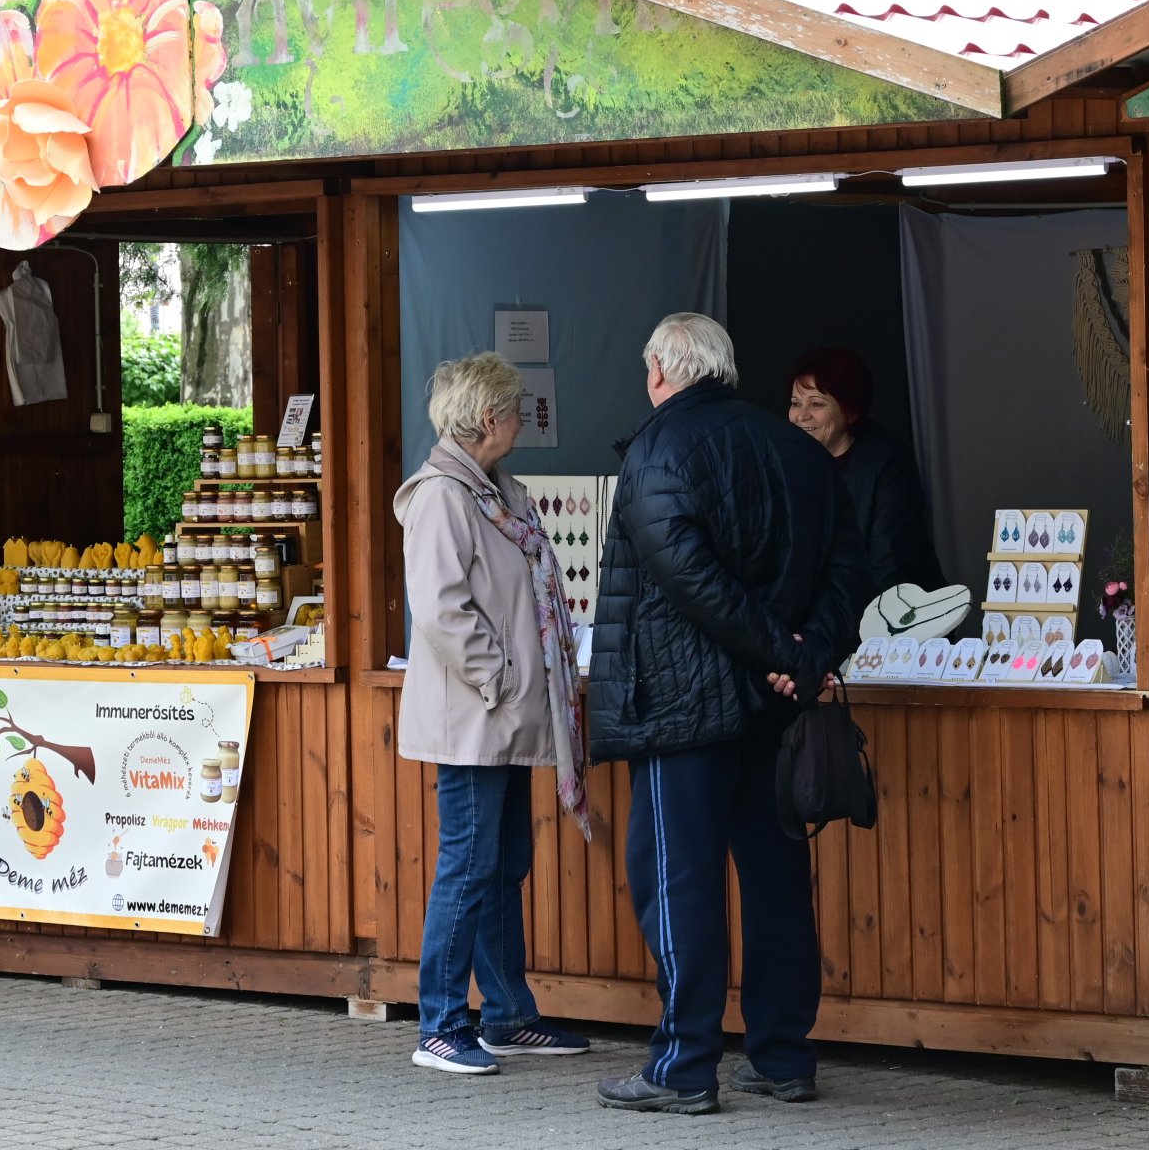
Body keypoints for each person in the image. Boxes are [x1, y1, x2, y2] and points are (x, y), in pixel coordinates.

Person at [590, 313, 868, 1114]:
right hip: (771, 711)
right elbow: (852, 570)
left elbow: (688, 578)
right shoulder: (799, 450)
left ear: (658, 372)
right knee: (778, 880)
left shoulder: (657, 448)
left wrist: (781, 653)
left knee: (677, 882)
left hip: (682, 708)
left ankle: (682, 1067)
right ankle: (784, 1055)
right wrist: (804, 654)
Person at [394, 352, 593, 1076]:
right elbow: (443, 609)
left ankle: (508, 1015)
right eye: (515, 409)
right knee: (469, 866)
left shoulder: (496, 488)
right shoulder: (443, 495)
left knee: (505, 862)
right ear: (488, 417)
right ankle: (440, 1025)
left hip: (503, 717)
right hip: (477, 717)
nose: (523, 420)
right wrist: (504, 679)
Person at [788, 347, 945, 596]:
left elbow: (888, 567)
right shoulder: (788, 462)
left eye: (817, 403)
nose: (801, 415)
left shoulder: (890, 464)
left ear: (850, 412)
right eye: (796, 403)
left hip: (887, 618)